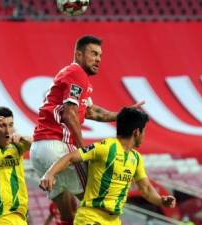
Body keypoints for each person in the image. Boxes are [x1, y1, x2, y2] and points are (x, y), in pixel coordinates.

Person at [30, 35, 144, 224]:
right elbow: (69, 114)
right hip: (58, 145)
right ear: (79, 54)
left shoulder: (72, 75)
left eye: (100, 55)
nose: (98, 59)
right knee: (97, 200)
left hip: (40, 149)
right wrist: (83, 151)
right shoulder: (77, 74)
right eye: (93, 53)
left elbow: (92, 112)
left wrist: (122, 115)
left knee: (68, 216)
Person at [40, 107, 176, 225]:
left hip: (114, 220)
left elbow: (145, 189)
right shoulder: (105, 147)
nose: (144, 136)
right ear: (136, 132)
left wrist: (161, 201)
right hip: (91, 217)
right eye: (144, 131)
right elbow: (71, 157)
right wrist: (50, 174)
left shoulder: (136, 158)